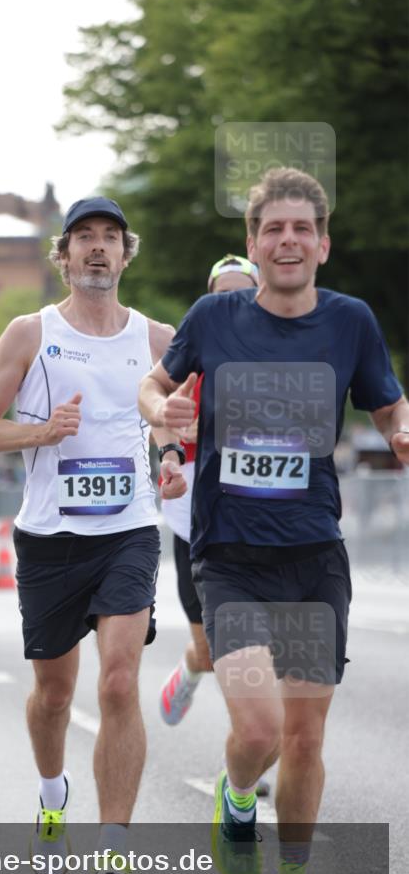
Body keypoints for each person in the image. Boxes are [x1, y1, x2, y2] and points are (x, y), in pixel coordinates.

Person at [139, 167, 409, 874]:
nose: (286, 240)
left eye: (301, 228)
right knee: (255, 728)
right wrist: (165, 412)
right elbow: (152, 385)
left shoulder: (350, 321)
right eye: (271, 229)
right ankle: (233, 799)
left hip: (313, 555)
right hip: (228, 553)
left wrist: (398, 429)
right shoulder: (214, 317)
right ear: (253, 246)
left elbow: (385, 397)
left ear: (321, 244)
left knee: (304, 737)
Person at [0, 196, 185, 874]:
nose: (96, 248)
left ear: (125, 254)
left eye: (109, 238)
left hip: (125, 530)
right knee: (54, 695)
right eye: (83, 237)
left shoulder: (157, 339)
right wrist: (40, 434)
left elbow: (181, 418)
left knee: (119, 679)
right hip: (48, 537)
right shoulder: (29, 333)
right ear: (63, 256)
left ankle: (114, 848)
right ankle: (52, 797)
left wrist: (176, 452)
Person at [160, 255, 259, 727]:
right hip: (195, 523)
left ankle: (244, 756)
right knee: (210, 649)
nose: (233, 304)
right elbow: (159, 419)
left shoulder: (279, 361)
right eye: (222, 295)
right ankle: (190, 668)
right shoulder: (191, 360)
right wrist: (180, 442)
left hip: (259, 523)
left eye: (243, 293)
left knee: (256, 652)